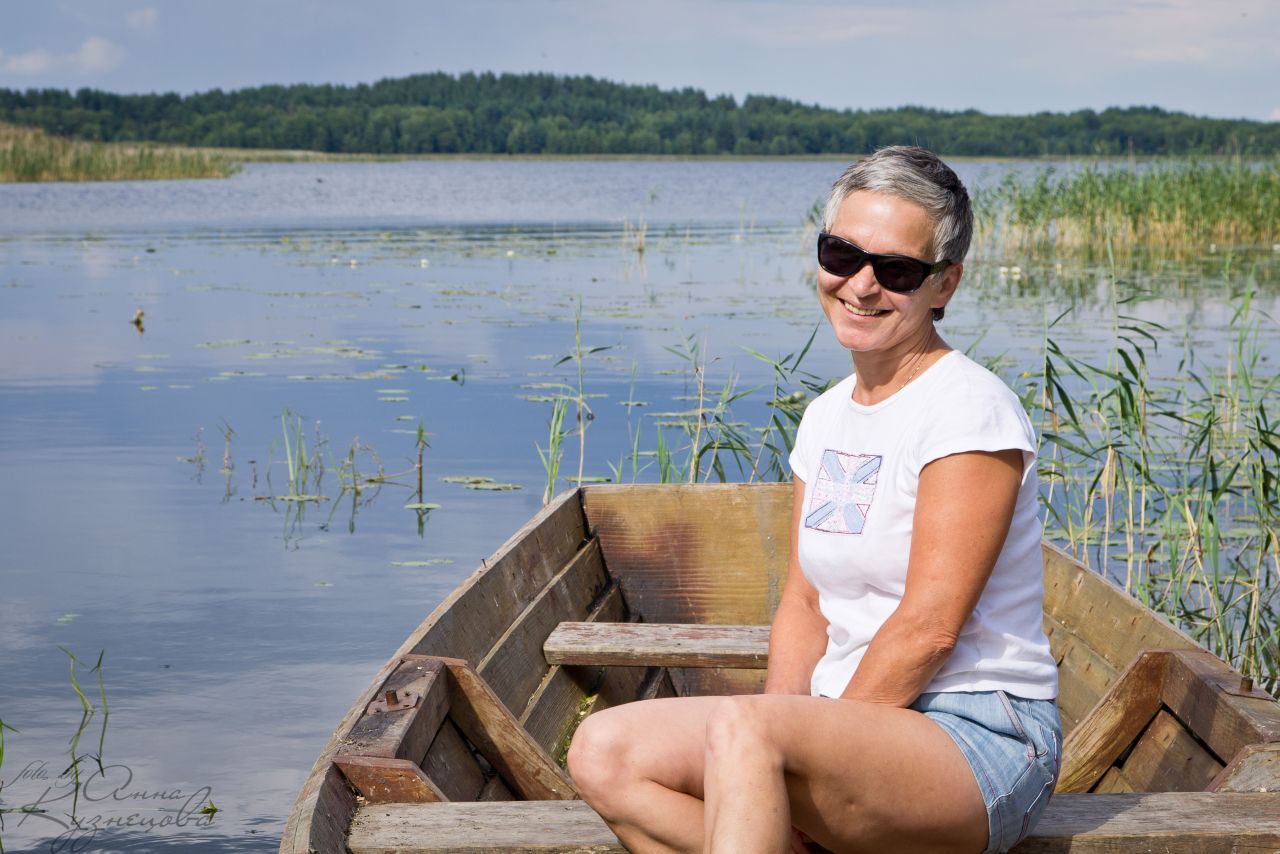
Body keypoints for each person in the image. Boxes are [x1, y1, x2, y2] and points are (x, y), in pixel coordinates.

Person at [567, 146, 1061, 854]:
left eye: (896, 270)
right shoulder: (827, 416)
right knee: (603, 751)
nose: (861, 285)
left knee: (750, 732)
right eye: (842, 255)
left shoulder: (968, 411)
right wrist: (780, 737)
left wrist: (799, 747)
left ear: (944, 284)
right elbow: (804, 604)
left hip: (979, 734)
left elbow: (929, 629)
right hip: (852, 716)